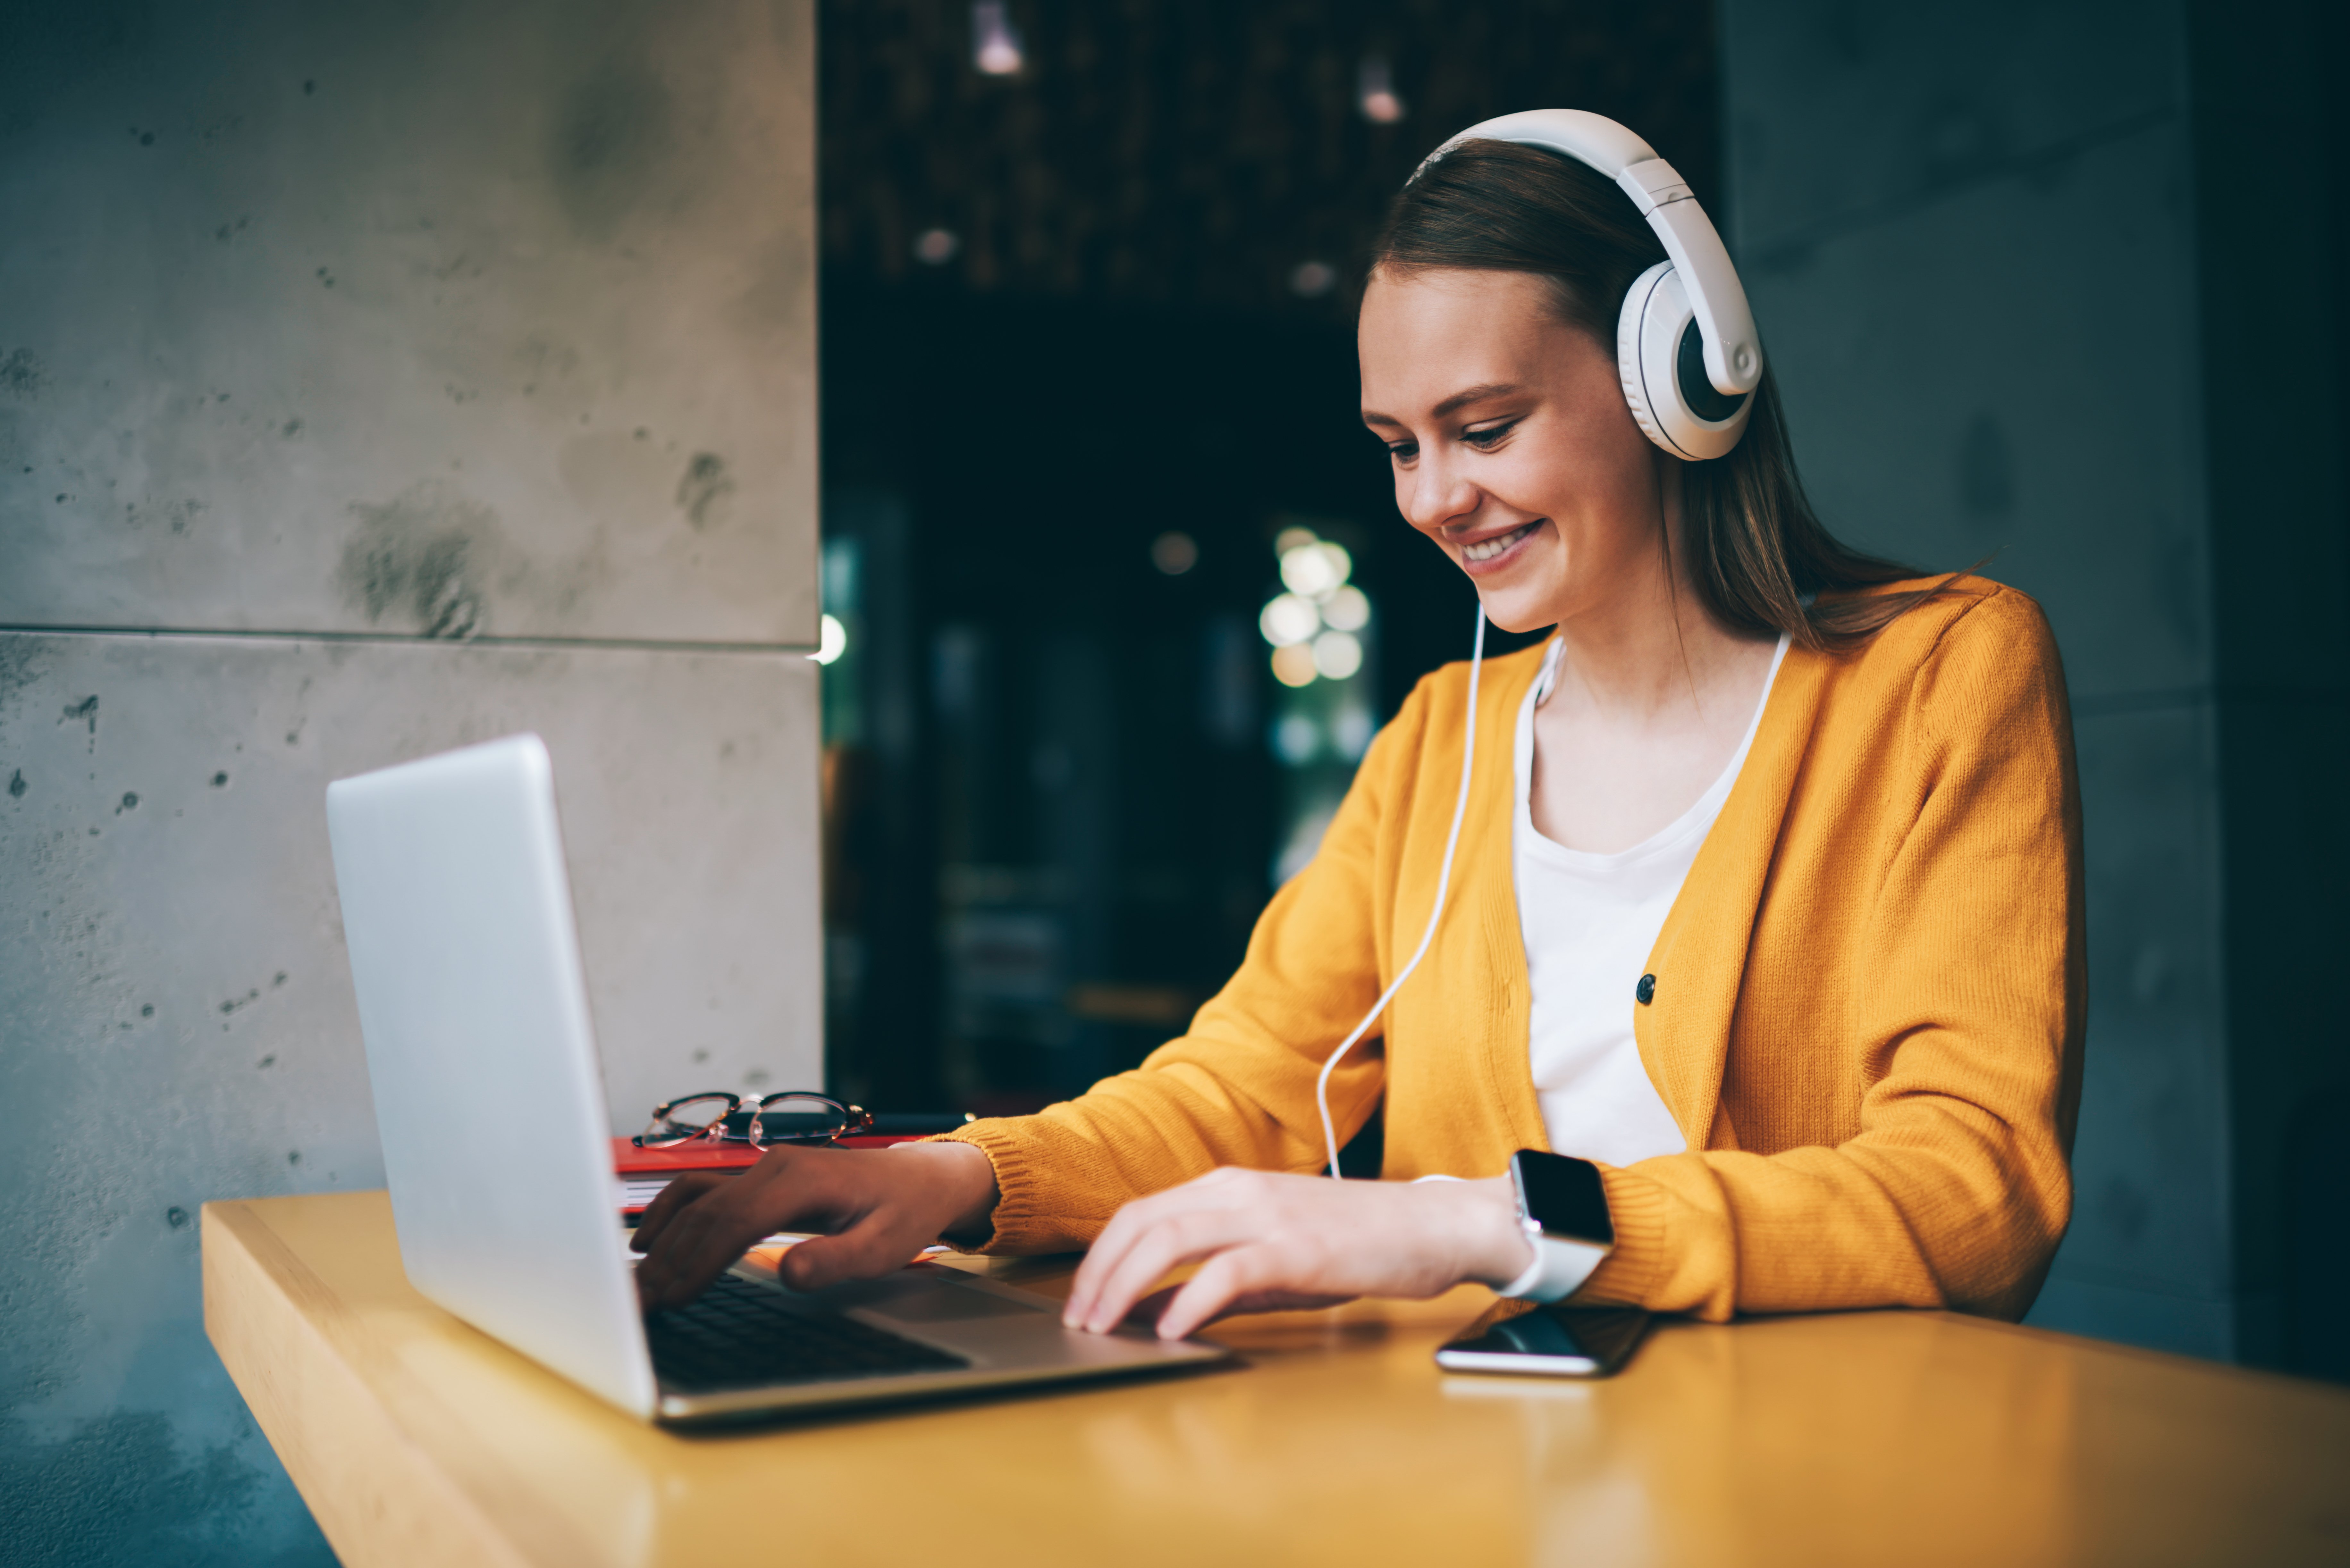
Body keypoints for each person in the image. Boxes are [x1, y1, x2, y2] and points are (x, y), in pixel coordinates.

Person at [633, 120, 2085, 1345]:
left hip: (1817, 1475)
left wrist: (1470, 1219)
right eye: (1399, 444)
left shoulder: (1940, 674)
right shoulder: (1443, 740)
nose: (1433, 499)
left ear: (1678, 380)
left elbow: (1974, 1189)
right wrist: (958, 1173)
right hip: (1483, 1471)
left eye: (1487, 424)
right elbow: (1250, 1081)